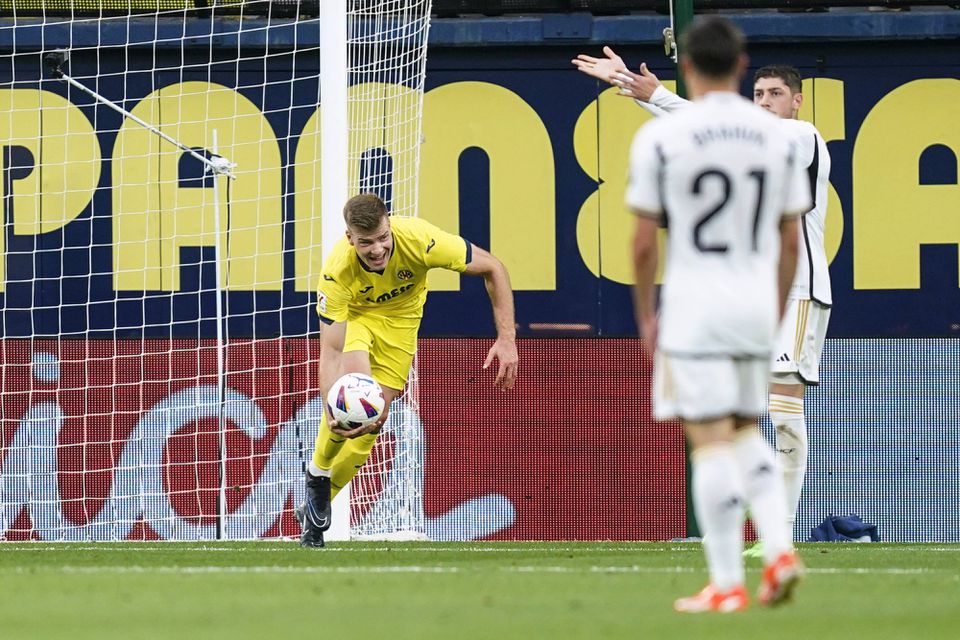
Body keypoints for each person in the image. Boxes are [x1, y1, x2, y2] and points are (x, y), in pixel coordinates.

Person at [574, 48, 832, 553]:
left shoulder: (801, 137)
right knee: (734, 418)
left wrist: (660, 95)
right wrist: (638, 93)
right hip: (752, 295)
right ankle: (742, 526)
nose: (764, 104)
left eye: (775, 95)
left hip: (799, 289)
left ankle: (779, 534)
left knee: (783, 415)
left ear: (797, 102)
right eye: (757, 95)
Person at [626, 17, 807, 612]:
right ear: (741, 62)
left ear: (688, 68)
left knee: (708, 441)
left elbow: (644, 243)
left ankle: (728, 582)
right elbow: (789, 241)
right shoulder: (777, 137)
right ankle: (778, 549)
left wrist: (647, 314)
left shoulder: (663, 138)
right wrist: (776, 308)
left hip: (696, 303)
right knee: (742, 430)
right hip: (755, 303)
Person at [298, 193, 518, 548]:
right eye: (366, 242)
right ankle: (318, 474)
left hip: (401, 324)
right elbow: (331, 350)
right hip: (357, 319)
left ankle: (316, 506)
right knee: (356, 403)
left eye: (383, 237)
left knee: (373, 423)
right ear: (350, 238)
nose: (377, 249)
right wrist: (330, 406)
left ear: (390, 225)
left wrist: (506, 338)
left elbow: (494, 267)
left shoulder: (420, 240)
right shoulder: (337, 272)